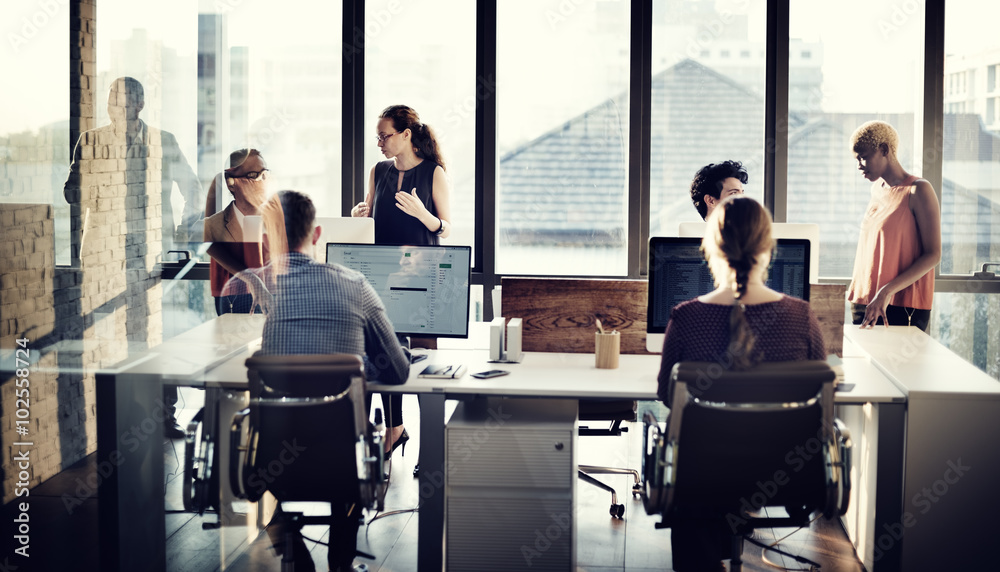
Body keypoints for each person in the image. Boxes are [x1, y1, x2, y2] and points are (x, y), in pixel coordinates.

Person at [656, 196, 825, 571]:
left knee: (695, 480)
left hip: (703, 476)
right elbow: (816, 390)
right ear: (768, 247)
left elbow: (667, 396)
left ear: (710, 247)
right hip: (786, 472)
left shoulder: (685, 318)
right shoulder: (802, 317)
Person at [260, 190, 409, 572]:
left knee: (268, 477)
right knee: (347, 477)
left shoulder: (262, 290)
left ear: (266, 238)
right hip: (344, 457)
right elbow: (397, 371)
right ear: (317, 235)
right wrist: (364, 364)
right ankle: (340, 562)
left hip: (273, 461)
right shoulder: (355, 285)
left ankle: (290, 545)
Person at [351, 104, 452, 463]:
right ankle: (395, 429)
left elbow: (446, 227)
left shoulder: (432, 172)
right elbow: (369, 218)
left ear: (406, 134)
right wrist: (359, 215)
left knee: (427, 364)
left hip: (423, 276)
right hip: (381, 276)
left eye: (385, 135)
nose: (379, 142)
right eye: (377, 136)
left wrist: (425, 216)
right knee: (384, 356)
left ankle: (432, 450)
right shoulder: (377, 171)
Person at [847, 120, 941, 332]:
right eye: (856, 158)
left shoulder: (919, 190)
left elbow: (933, 255)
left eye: (863, 157)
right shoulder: (877, 190)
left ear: (884, 149)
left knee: (898, 366)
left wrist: (885, 292)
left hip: (900, 305)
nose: (859, 164)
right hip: (864, 302)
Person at [203, 149, 269, 315]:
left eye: (264, 173)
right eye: (254, 175)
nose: (262, 181)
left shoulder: (279, 220)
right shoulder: (213, 226)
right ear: (231, 183)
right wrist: (251, 279)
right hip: (234, 298)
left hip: (273, 295)